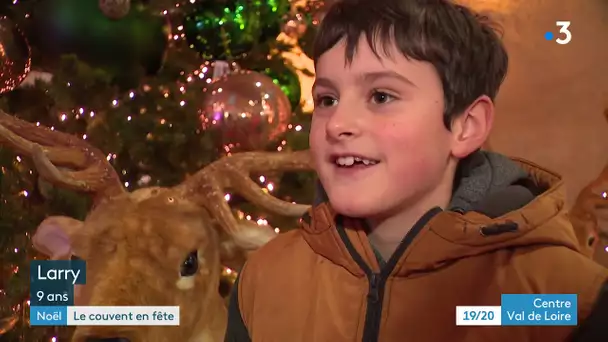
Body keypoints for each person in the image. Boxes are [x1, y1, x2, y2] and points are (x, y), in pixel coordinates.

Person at [224, 0, 608, 341]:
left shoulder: (565, 299)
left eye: (381, 96)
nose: (337, 122)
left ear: (465, 126)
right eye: (327, 98)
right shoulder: (265, 279)